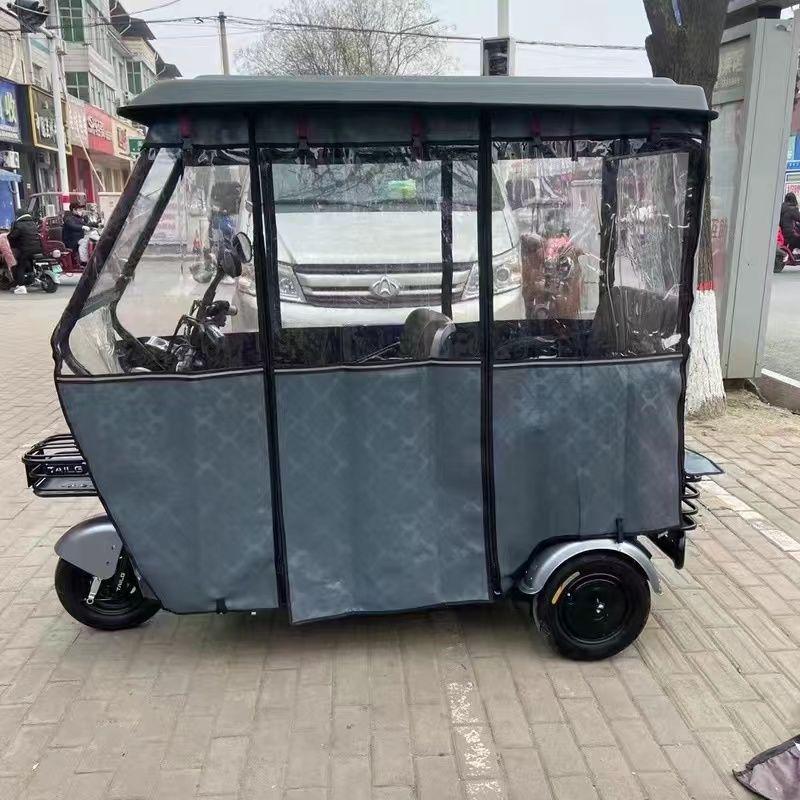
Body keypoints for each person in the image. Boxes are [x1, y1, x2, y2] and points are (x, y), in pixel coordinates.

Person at [7, 209, 44, 295]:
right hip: (37, 249)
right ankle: (31, 279)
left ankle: (21, 286)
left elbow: (12, 237)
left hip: (26, 250)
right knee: (28, 261)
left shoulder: (19, 225)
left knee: (20, 266)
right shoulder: (33, 224)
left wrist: (8, 236)